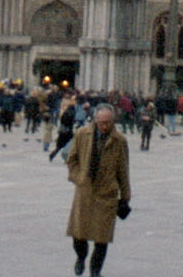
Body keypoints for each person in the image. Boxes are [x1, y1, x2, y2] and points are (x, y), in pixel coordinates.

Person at [66, 104, 131, 276]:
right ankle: (81, 257)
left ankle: (95, 272)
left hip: (107, 195)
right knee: (79, 237)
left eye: (108, 122)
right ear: (95, 120)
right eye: (102, 122)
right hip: (85, 193)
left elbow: (123, 171)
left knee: (102, 240)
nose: (105, 126)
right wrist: (78, 177)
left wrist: (125, 197)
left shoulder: (120, 141)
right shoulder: (82, 134)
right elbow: (71, 160)